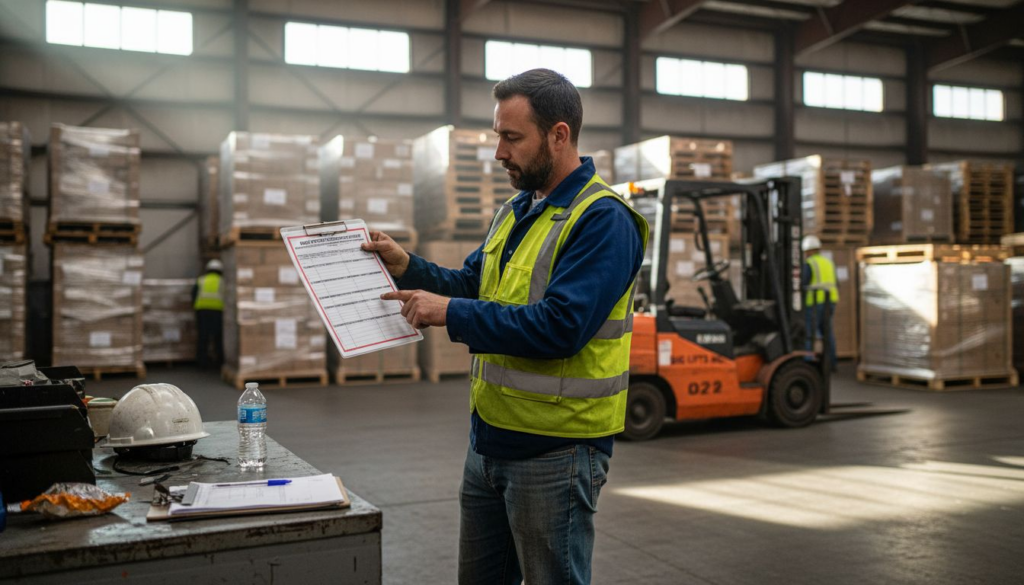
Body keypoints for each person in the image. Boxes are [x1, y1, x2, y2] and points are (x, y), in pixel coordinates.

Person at [362, 69, 647, 585]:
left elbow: (561, 327)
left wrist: (447, 312)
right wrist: (407, 265)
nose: (499, 152)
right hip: (488, 445)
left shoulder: (603, 220)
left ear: (559, 135)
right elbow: (473, 282)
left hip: (555, 454)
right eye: (498, 135)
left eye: (511, 138)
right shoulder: (518, 210)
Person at [801, 235, 838, 368]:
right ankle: (832, 362)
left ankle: (808, 360)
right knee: (827, 332)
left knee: (809, 333)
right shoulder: (828, 262)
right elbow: (836, 283)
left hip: (815, 303)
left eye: (805, 252)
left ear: (809, 251)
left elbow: (803, 283)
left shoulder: (810, 263)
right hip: (830, 301)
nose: (805, 254)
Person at [192, 259, 224, 369]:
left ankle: (202, 362)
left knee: (203, 337)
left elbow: (194, 294)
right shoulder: (222, 281)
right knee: (217, 338)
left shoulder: (201, 280)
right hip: (217, 311)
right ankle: (219, 362)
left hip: (202, 311)